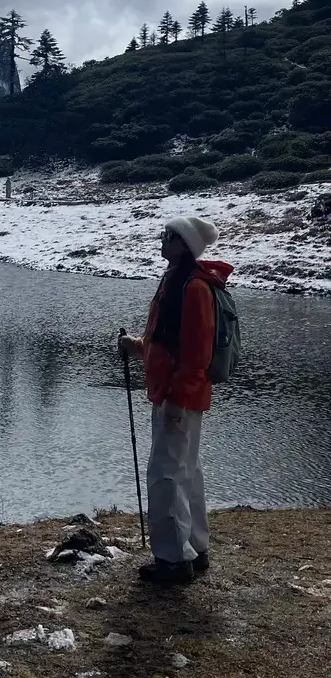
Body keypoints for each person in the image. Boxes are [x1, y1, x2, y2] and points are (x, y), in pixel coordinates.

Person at [119, 216, 233, 585]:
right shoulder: (179, 281)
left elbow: (196, 354)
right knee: (186, 470)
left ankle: (173, 558)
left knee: (165, 473)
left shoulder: (193, 287)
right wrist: (137, 346)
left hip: (178, 397)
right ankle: (195, 548)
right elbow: (167, 344)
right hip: (179, 394)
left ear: (183, 244)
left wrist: (176, 401)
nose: (161, 240)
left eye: (168, 236)